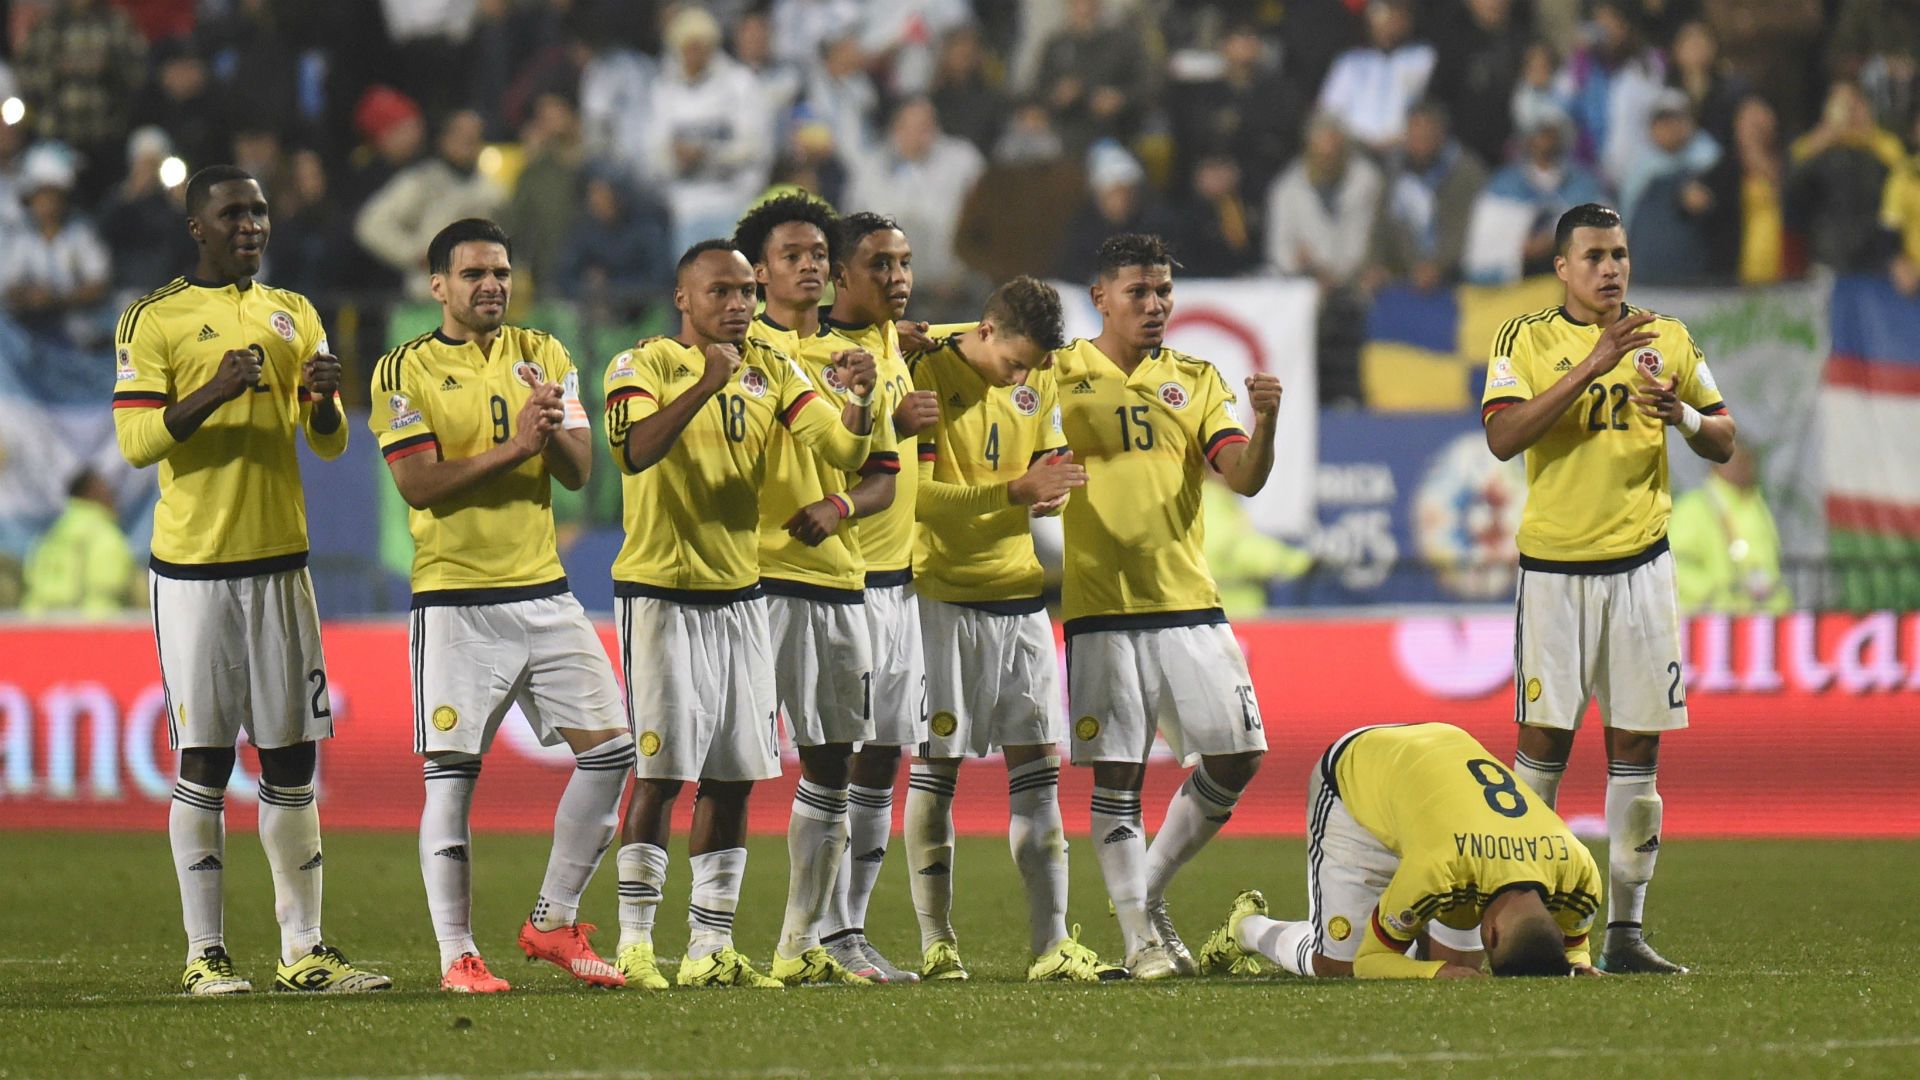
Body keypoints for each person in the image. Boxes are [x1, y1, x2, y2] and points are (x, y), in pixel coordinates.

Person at [112, 164, 387, 995]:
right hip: (195, 572)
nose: (252, 225)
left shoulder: (295, 312)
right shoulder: (153, 318)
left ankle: (304, 949)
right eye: (234, 213)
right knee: (203, 760)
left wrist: (329, 405)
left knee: (292, 762)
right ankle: (205, 955)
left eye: (260, 213)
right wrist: (215, 388)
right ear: (195, 225)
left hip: (281, 566)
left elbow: (329, 443)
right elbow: (136, 444)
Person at [604, 239, 876, 991]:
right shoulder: (643, 364)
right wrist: (703, 385)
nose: (737, 305)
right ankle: (634, 943)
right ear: (682, 299)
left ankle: (709, 946)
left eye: (745, 293)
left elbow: (842, 446)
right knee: (662, 771)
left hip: (741, 596)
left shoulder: (772, 368)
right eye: (719, 292)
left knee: (733, 775)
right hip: (661, 593)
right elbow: (633, 452)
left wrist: (859, 394)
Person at [370, 218, 632, 994]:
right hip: (457, 600)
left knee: (613, 752)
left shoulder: (544, 354)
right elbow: (418, 485)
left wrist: (548, 435)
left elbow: (582, 473)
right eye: (474, 273)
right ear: (438, 286)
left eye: (502, 272)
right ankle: (458, 955)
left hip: (546, 592)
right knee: (451, 778)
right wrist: (517, 448)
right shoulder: (400, 370)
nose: (491, 285)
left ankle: (552, 921)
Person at [1480, 203, 1737, 974]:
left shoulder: (1669, 337)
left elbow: (1726, 436)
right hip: (1556, 575)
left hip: (1642, 570)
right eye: (1593, 255)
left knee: (1637, 750)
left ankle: (1626, 932)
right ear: (1561, 267)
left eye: (1619, 253)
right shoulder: (1524, 338)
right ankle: (1530, 919)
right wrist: (1592, 364)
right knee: (1541, 749)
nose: (1610, 268)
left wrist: (1685, 416)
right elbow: (1502, 436)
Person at [1051, 233, 1284, 979]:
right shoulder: (1059, 374)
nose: (1155, 306)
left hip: (1188, 601)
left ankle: (1143, 897)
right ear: (1100, 297)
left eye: (1163, 293)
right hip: (1100, 604)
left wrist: (1267, 420)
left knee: (1240, 754)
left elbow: (1240, 476)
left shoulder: (1197, 377)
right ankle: (1138, 942)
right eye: (1138, 293)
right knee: (1117, 773)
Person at [905, 276, 1124, 983]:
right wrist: (1015, 494)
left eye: (1033, 367)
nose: (1023, 377)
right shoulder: (927, 372)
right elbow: (921, 500)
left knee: (1038, 775)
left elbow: (1040, 467)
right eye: (1014, 362)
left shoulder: (1038, 380)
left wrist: (1050, 481)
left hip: (1022, 601)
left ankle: (1050, 943)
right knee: (935, 773)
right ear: (988, 331)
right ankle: (937, 942)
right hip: (942, 598)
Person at [732, 196, 897, 986]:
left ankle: (803, 941)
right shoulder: (739, 347)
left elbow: (882, 478)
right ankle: (703, 942)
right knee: (721, 762)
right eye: (789, 253)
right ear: (757, 272)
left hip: (837, 580)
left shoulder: (854, 359)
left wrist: (837, 506)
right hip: (749, 579)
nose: (808, 264)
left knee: (834, 760)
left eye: (817, 254)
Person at [1194, 723, 1604, 980]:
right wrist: (1433, 973)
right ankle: (1248, 928)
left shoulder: (1580, 871)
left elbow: (1573, 946)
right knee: (1340, 968)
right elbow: (1371, 962)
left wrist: (1578, 962)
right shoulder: (1440, 867)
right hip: (1357, 779)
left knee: (1459, 970)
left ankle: (1408, 933)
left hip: (1441, 754)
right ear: (1491, 932)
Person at [809, 212, 941, 982]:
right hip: (844, 584)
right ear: (839, 278)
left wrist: (913, 343)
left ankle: (848, 928)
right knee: (835, 756)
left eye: (905, 263)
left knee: (885, 753)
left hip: (901, 586)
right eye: (880, 265)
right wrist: (894, 415)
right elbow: (839, 459)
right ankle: (817, 930)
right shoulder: (823, 358)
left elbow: (954, 330)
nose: (898, 277)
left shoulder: (893, 340)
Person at [1668, 444, 1791, 614]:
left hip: (1760, 619)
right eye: (1737, 461)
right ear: (1715, 465)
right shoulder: (1692, 508)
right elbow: (1674, 566)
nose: (1745, 468)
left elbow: (1770, 566)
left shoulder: (1758, 507)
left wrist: (1778, 604)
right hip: (1706, 623)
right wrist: (1714, 594)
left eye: (1748, 462)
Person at [21, 468, 136, 616]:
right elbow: (111, 584)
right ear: (94, 494)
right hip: (94, 626)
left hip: (35, 623)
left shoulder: (51, 534)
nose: (113, 497)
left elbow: (31, 579)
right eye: (107, 491)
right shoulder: (107, 536)